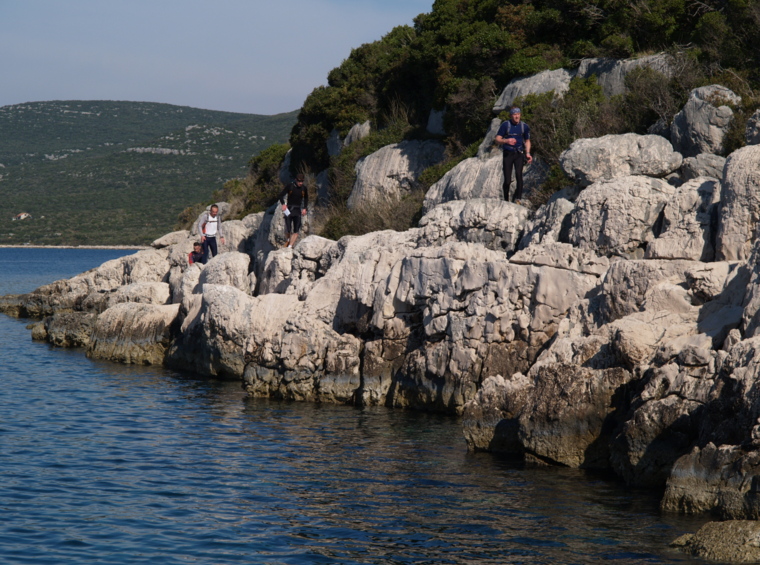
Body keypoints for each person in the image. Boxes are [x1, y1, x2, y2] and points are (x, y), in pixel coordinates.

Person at [494, 106, 533, 204]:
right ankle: (506, 200)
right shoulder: (505, 125)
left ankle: (518, 199)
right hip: (508, 154)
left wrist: (528, 153)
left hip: (519, 153)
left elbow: (527, 141)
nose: (517, 116)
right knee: (507, 180)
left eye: (518, 114)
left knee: (519, 176)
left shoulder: (524, 126)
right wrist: (506, 140)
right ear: (511, 115)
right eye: (515, 114)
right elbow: (497, 139)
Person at [278, 173, 308, 249]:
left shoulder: (304, 189)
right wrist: (283, 204)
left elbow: (306, 198)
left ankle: (290, 247)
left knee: (296, 231)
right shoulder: (290, 186)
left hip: (297, 210)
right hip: (289, 210)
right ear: (296, 180)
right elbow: (281, 195)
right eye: (299, 181)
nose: (300, 183)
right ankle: (288, 239)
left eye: (302, 181)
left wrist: (304, 208)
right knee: (288, 230)